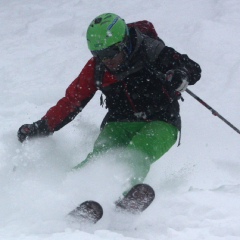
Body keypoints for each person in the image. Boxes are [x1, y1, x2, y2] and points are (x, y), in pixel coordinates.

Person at [18, 13, 201, 190]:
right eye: (99, 54)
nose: (107, 60)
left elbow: (192, 68)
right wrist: (43, 125)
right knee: (99, 157)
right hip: (119, 122)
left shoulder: (152, 51)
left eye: (111, 52)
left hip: (161, 121)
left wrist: (180, 75)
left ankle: (121, 196)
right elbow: (72, 100)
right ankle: (68, 193)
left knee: (138, 152)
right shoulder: (98, 67)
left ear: (124, 43)